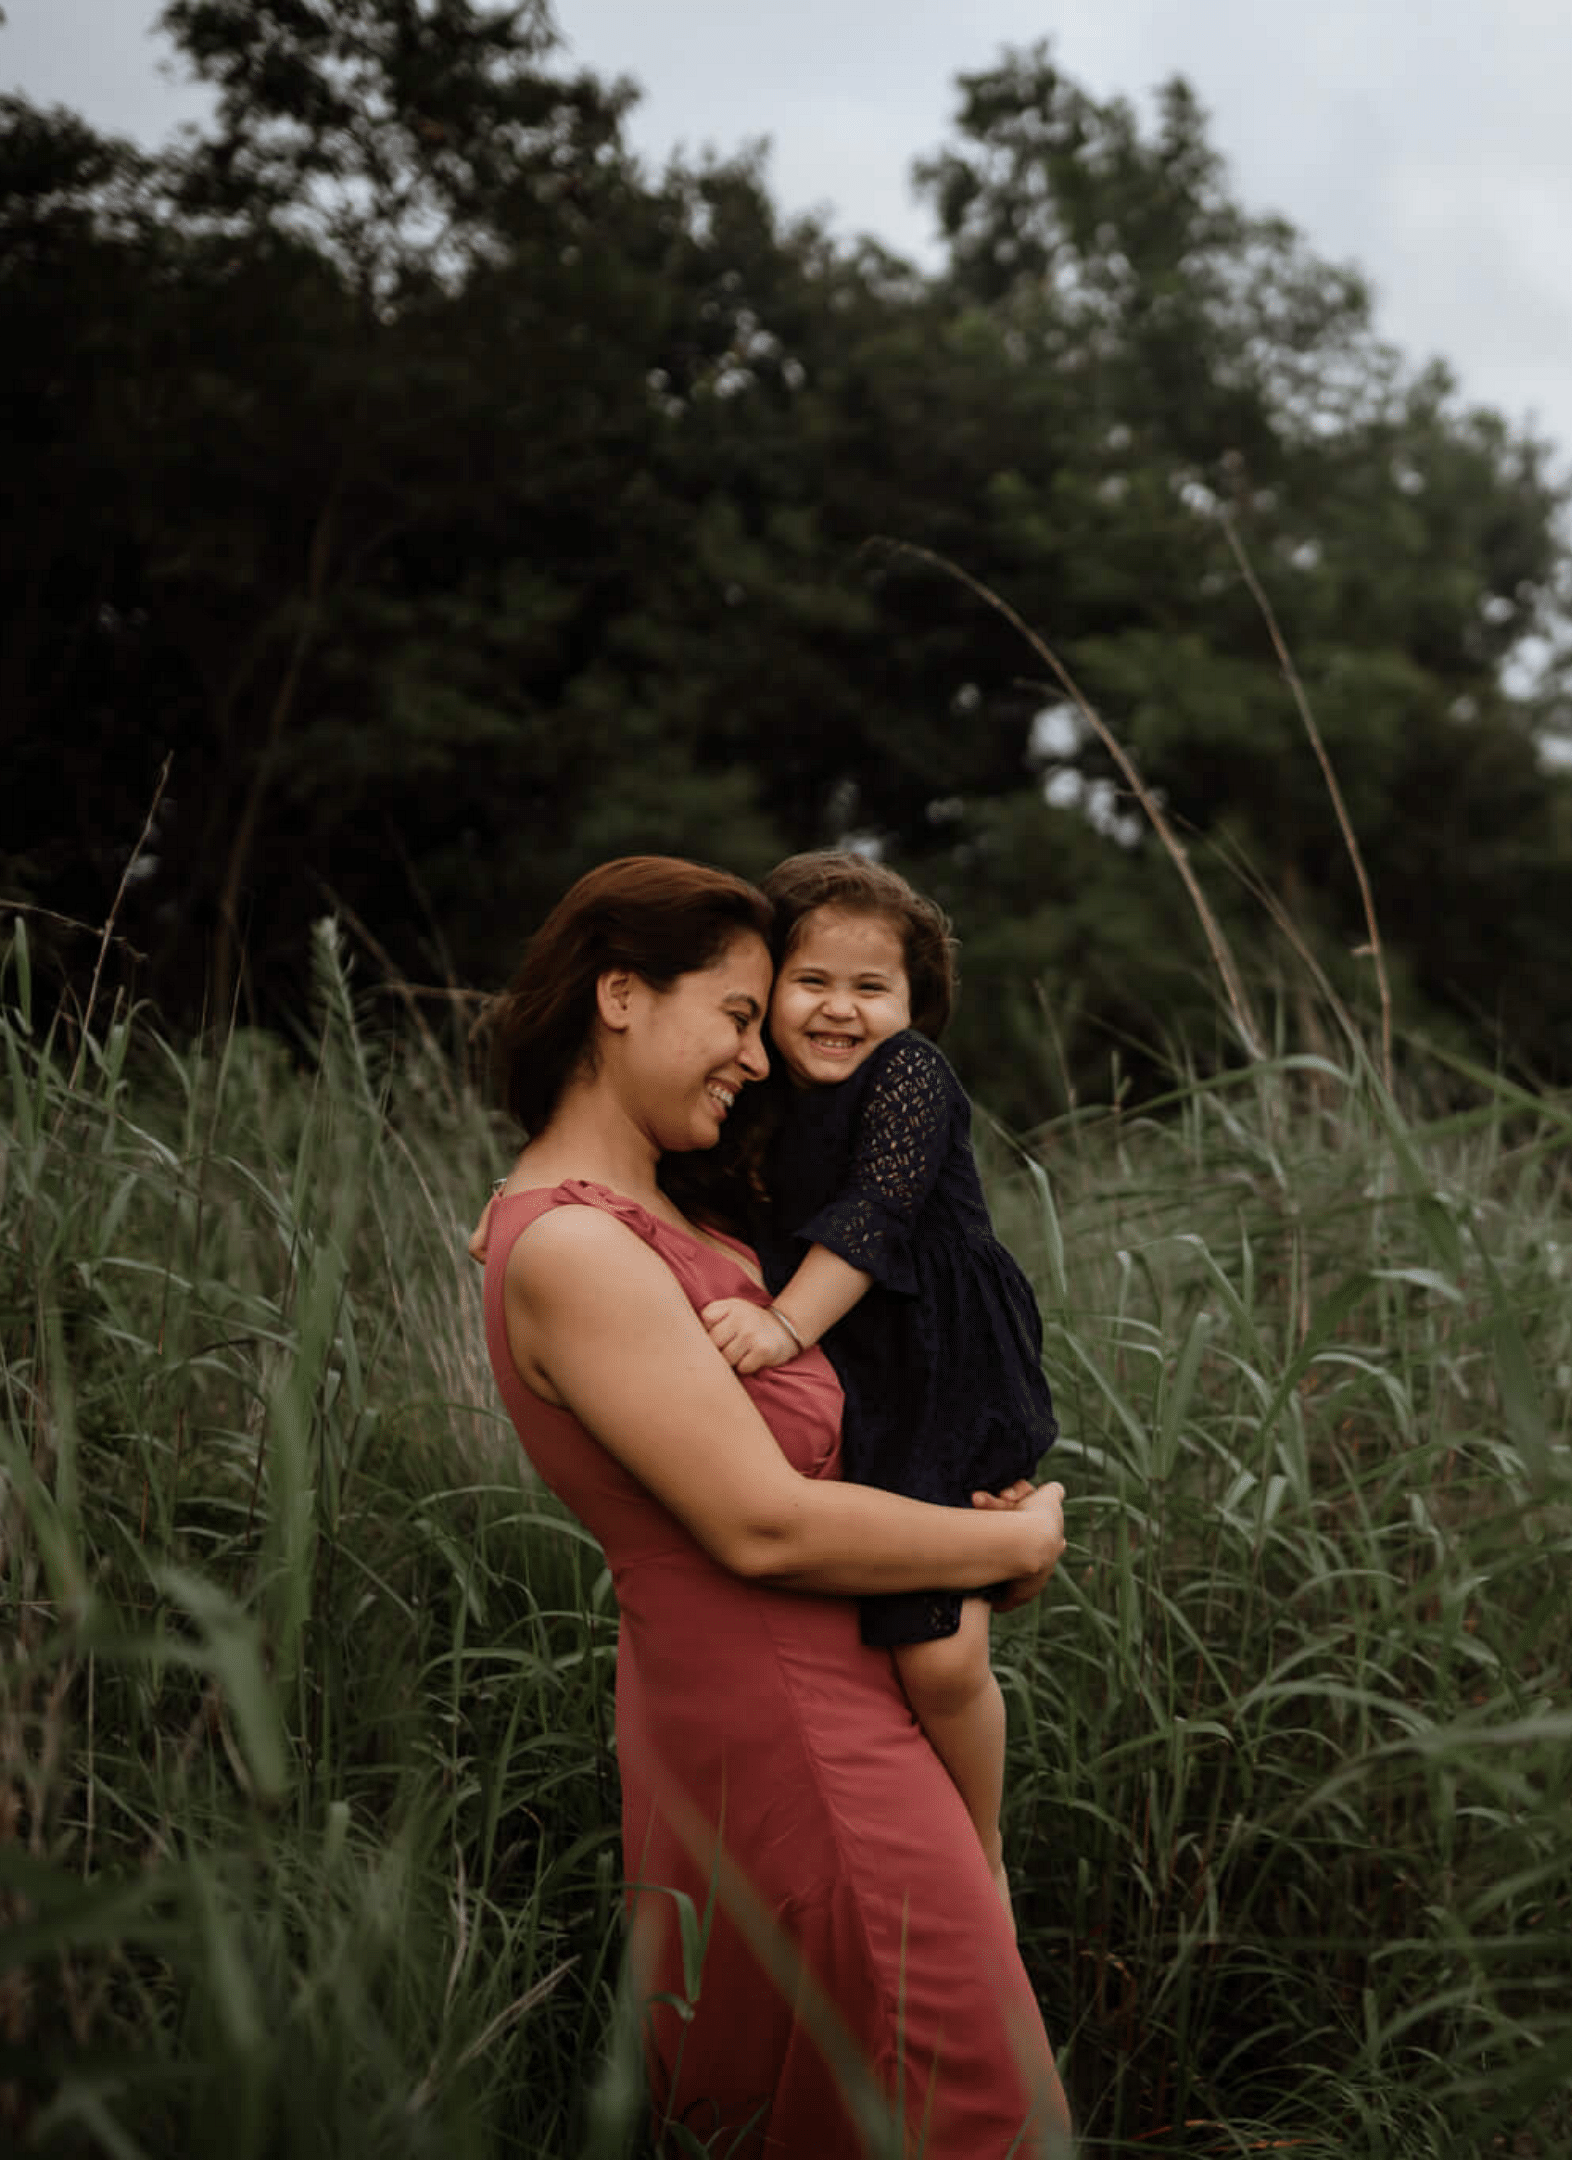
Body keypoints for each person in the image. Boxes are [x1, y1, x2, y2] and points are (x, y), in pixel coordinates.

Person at [471, 856, 1070, 2158]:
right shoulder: (577, 1244)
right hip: (798, 1724)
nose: (759, 1053)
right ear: (620, 995)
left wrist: (959, 1522)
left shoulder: (663, 1209)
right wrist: (1013, 1539)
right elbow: (766, 1526)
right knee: (972, 2105)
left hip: (791, 1704)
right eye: (740, 1015)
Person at [700, 852, 1059, 1914]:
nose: (840, 1011)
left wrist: (781, 1324)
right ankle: (883, 1847)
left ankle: (983, 1853)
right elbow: (655, 1164)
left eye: (874, 988)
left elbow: (876, 1217)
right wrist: (517, 1188)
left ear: (914, 1003)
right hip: (854, 1366)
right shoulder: (754, 1090)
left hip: (941, 1361)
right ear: (766, 989)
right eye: (812, 982)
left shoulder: (911, 1078)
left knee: (938, 1654)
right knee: (856, 1621)